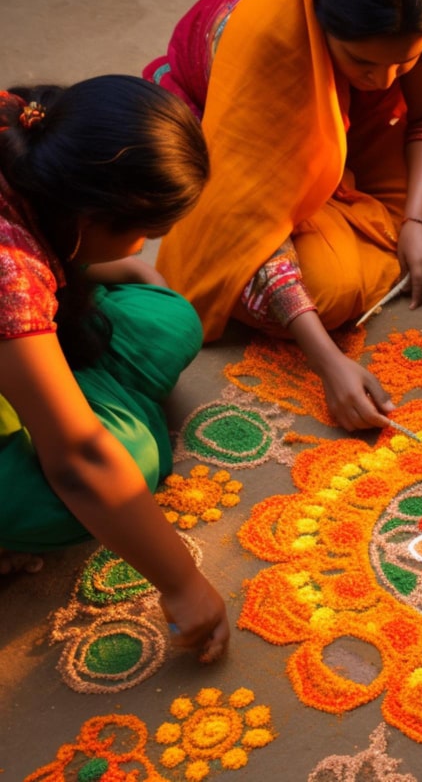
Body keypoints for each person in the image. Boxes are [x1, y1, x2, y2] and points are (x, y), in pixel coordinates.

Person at [145, 0, 422, 431]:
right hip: (250, 144)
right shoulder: (269, 46)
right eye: (362, 62)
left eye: (403, 64)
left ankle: (347, 214)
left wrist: (418, 220)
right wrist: (328, 365)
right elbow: (250, 217)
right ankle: (342, 222)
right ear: (321, 28)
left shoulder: (416, 9)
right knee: (329, 292)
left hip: (350, 132)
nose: (383, 82)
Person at [0, 76, 230, 660]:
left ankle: (68, 396)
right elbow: (80, 461)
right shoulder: (10, 273)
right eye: (144, 234)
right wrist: (183, 583)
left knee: (168, 317)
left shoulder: (21, 126)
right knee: (125, 460)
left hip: (33, 317)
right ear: (86, 216)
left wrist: (87, 270)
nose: (145, 248)